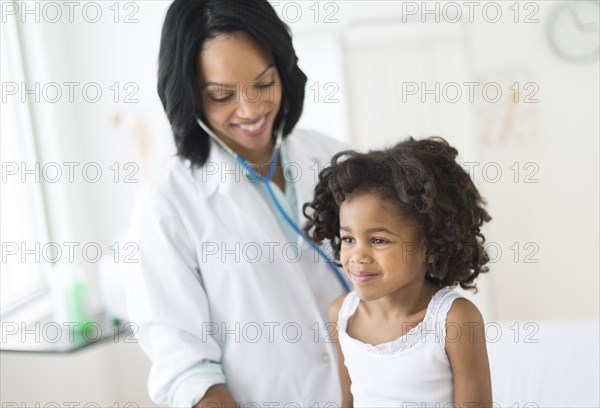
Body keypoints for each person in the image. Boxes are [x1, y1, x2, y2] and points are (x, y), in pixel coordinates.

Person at [127, 1, 348, 406]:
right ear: (190, 95)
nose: (250, 110)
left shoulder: (336, 160)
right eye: (221, 95)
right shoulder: (167, 205)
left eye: (264, 84)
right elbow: (187, 371)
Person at [303, 137, 493, 407]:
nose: (358, 256)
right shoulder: (341, 314)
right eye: (348, 239)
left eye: (379, 240)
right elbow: (348, 400)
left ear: (432, 245)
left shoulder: (455, 320)